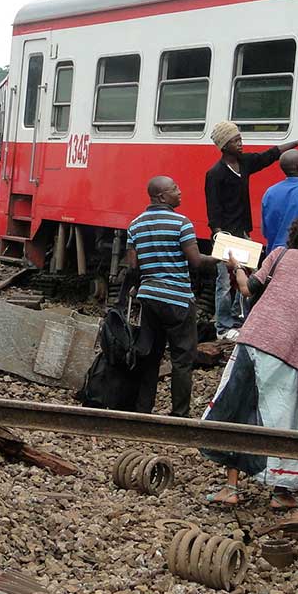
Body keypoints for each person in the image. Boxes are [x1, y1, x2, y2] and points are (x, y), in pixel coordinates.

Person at [202, 214, 298, 508]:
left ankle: (230, 488)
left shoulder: (280, 254)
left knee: (238, 407)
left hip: (251, 338)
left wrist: (237, 267)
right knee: (282, 417)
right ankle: (282, 492)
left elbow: (247, 288)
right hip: (287, 351)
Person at [204, 121, 298, 340]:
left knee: (245, 278)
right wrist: (218, 235)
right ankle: (223, 327)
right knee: (224, 283)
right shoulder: (215, 173)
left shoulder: (244, 163)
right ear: (223, 146)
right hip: (226, 235)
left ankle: (239, 322)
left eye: (240, 139)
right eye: (234, 141)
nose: (240, 143)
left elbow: (271, 155)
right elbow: (213, 208)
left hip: (242, 233)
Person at [126, 176, 215, 418]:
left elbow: (133, 266)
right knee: (182, 360)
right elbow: (196, 261)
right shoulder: (181, 223)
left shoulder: (135, 225)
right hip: (177, 300)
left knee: (151, 357)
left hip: (149, 298)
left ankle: (143, 410)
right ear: (162, 196)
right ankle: (179, 415)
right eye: (175, 189)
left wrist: (140, 287)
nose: (180, 191)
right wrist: (222, 258)